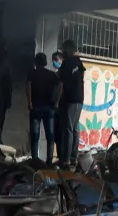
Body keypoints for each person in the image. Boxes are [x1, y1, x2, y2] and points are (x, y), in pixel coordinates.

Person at [27, 53, 61, 163]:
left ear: (36, 62)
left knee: (35, 135)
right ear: (45, 63)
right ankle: (49, 161)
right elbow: (60, 85)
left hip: (36, 107)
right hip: (49, 108)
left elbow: (28, 86)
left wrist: (30, 102)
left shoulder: (32, 73)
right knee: (50, 136)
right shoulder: (51, 74)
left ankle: (34, 160)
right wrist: (57, 102)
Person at [57, 40, 86, 169]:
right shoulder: (78, 62)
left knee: (68, 128)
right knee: (75, 128)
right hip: (79, 99)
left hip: (70, 99)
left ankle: (67, 159)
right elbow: (82, 75)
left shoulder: (66, 64)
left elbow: (61, 84)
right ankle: (74, 158)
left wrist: (57, 101)